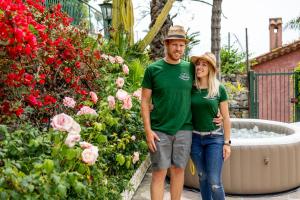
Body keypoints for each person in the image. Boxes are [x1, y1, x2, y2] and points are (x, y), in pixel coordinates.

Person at [141, 25, 222, 200]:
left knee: (178, 171)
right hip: (159, 130)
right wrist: (148, 131)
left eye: (182, 45)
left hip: (185, 129)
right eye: (175, 45)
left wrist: (218, 112)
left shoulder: (190, 68)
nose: (178, 49)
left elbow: (207, 84)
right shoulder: (153, 70)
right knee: (159, 173)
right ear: (167, 45)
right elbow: (145, 101)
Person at [190, 52, 231, 200]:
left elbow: (226, 118)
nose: (199, 67)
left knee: (214, 182)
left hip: (214, 139)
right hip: (194, 139)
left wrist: (227, 143)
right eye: (198, 64)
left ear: (211, 69)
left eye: (204, 64)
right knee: (202, 176)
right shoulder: (191, 88)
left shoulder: (219, 89)